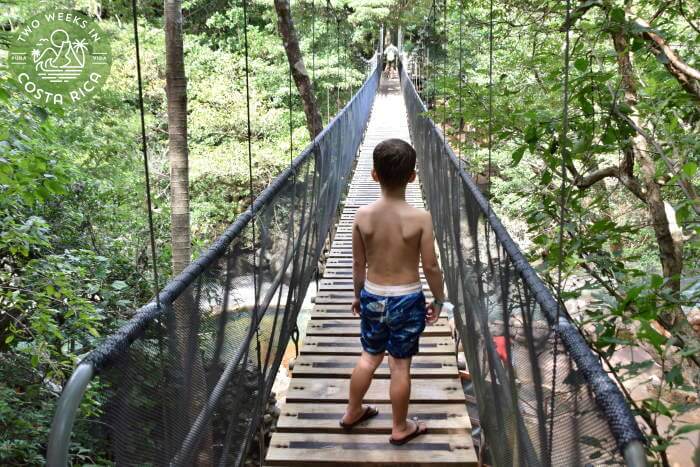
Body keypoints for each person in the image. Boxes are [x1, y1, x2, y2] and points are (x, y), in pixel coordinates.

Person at [339, 139, 446, 445]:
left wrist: (358, 295)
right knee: (399, 365)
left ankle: (352, 411)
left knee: (368, 359)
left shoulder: (362, 216)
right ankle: (399, 427)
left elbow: (358, 263)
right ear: (413, 177)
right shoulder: (421, 219)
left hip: (373, 295)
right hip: (407, 299)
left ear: (373, 175)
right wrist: (438, 300)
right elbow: (431, 267)